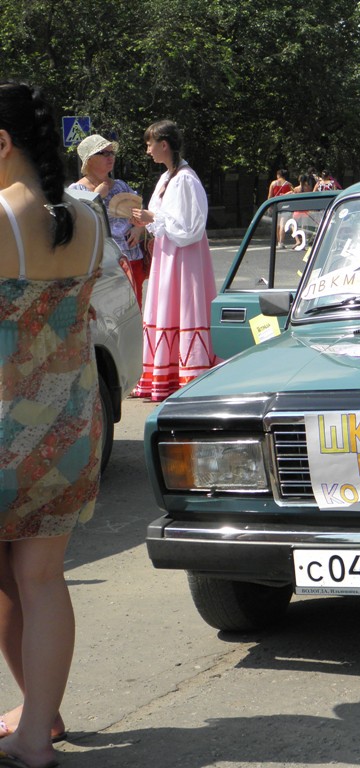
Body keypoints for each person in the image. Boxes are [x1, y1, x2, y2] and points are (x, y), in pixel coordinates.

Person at [0, 80, 104, 768]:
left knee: (12, 582)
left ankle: (39, 719)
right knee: (39, 579)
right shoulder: (89, 220)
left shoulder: (1, 217)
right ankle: (38, 727)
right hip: (70, 428)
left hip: (4, 427)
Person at [130, 120, 218, 402]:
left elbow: (190, 228)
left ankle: (188, 373)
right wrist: (148, 220)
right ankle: (166, 374)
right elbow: (165, 219)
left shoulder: (185, 179)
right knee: (167, 306)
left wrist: (153, 218)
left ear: (164, 144)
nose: (147, 150)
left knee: (184, 305)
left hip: (184, 257)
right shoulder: (168, 178)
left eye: (150, 144)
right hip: (168, 254)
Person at [68, 134, 147, 306]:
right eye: (103, 153)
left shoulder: (120, 185)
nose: (110, 157)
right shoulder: (76, 190)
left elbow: (140, 213)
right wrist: (97, 196)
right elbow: (78, 227)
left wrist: (138, 229)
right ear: (89, 159)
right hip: (103, 265)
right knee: (108, 312)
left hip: (131, 258)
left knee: (135, 309)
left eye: (111, 153)